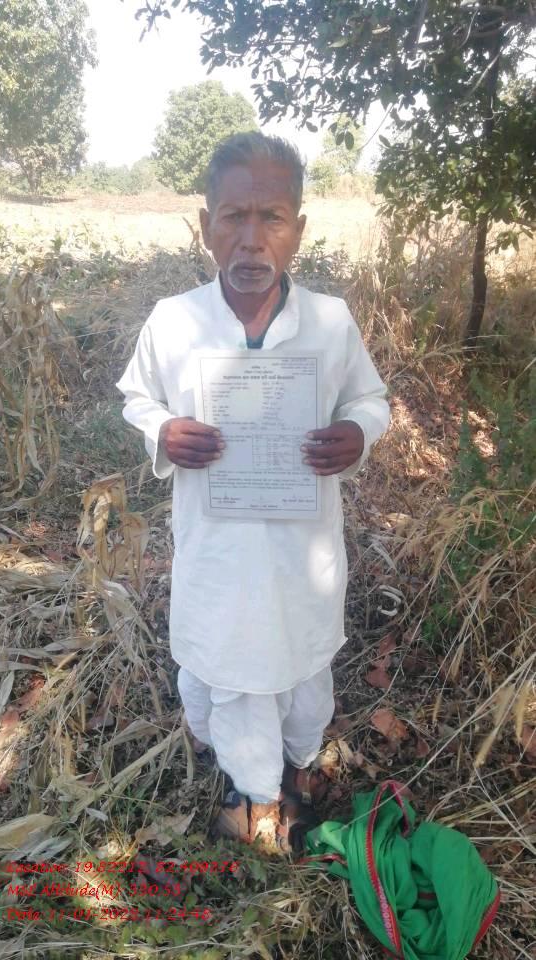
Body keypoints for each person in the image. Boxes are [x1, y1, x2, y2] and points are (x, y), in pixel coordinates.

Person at [116, 131, 390, 852]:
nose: (251, 239)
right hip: (219, 551)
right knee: (232, 666)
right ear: (205, 225)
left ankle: (295, 767)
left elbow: (370, 399)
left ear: (299, 229)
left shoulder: (329, 322)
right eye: (233, 216)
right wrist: (163, 430)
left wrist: (357, 433)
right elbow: (137, 398)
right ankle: (252, 786)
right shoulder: (174, 320)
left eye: (271, 217)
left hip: (304, 551)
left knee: (301, 663)